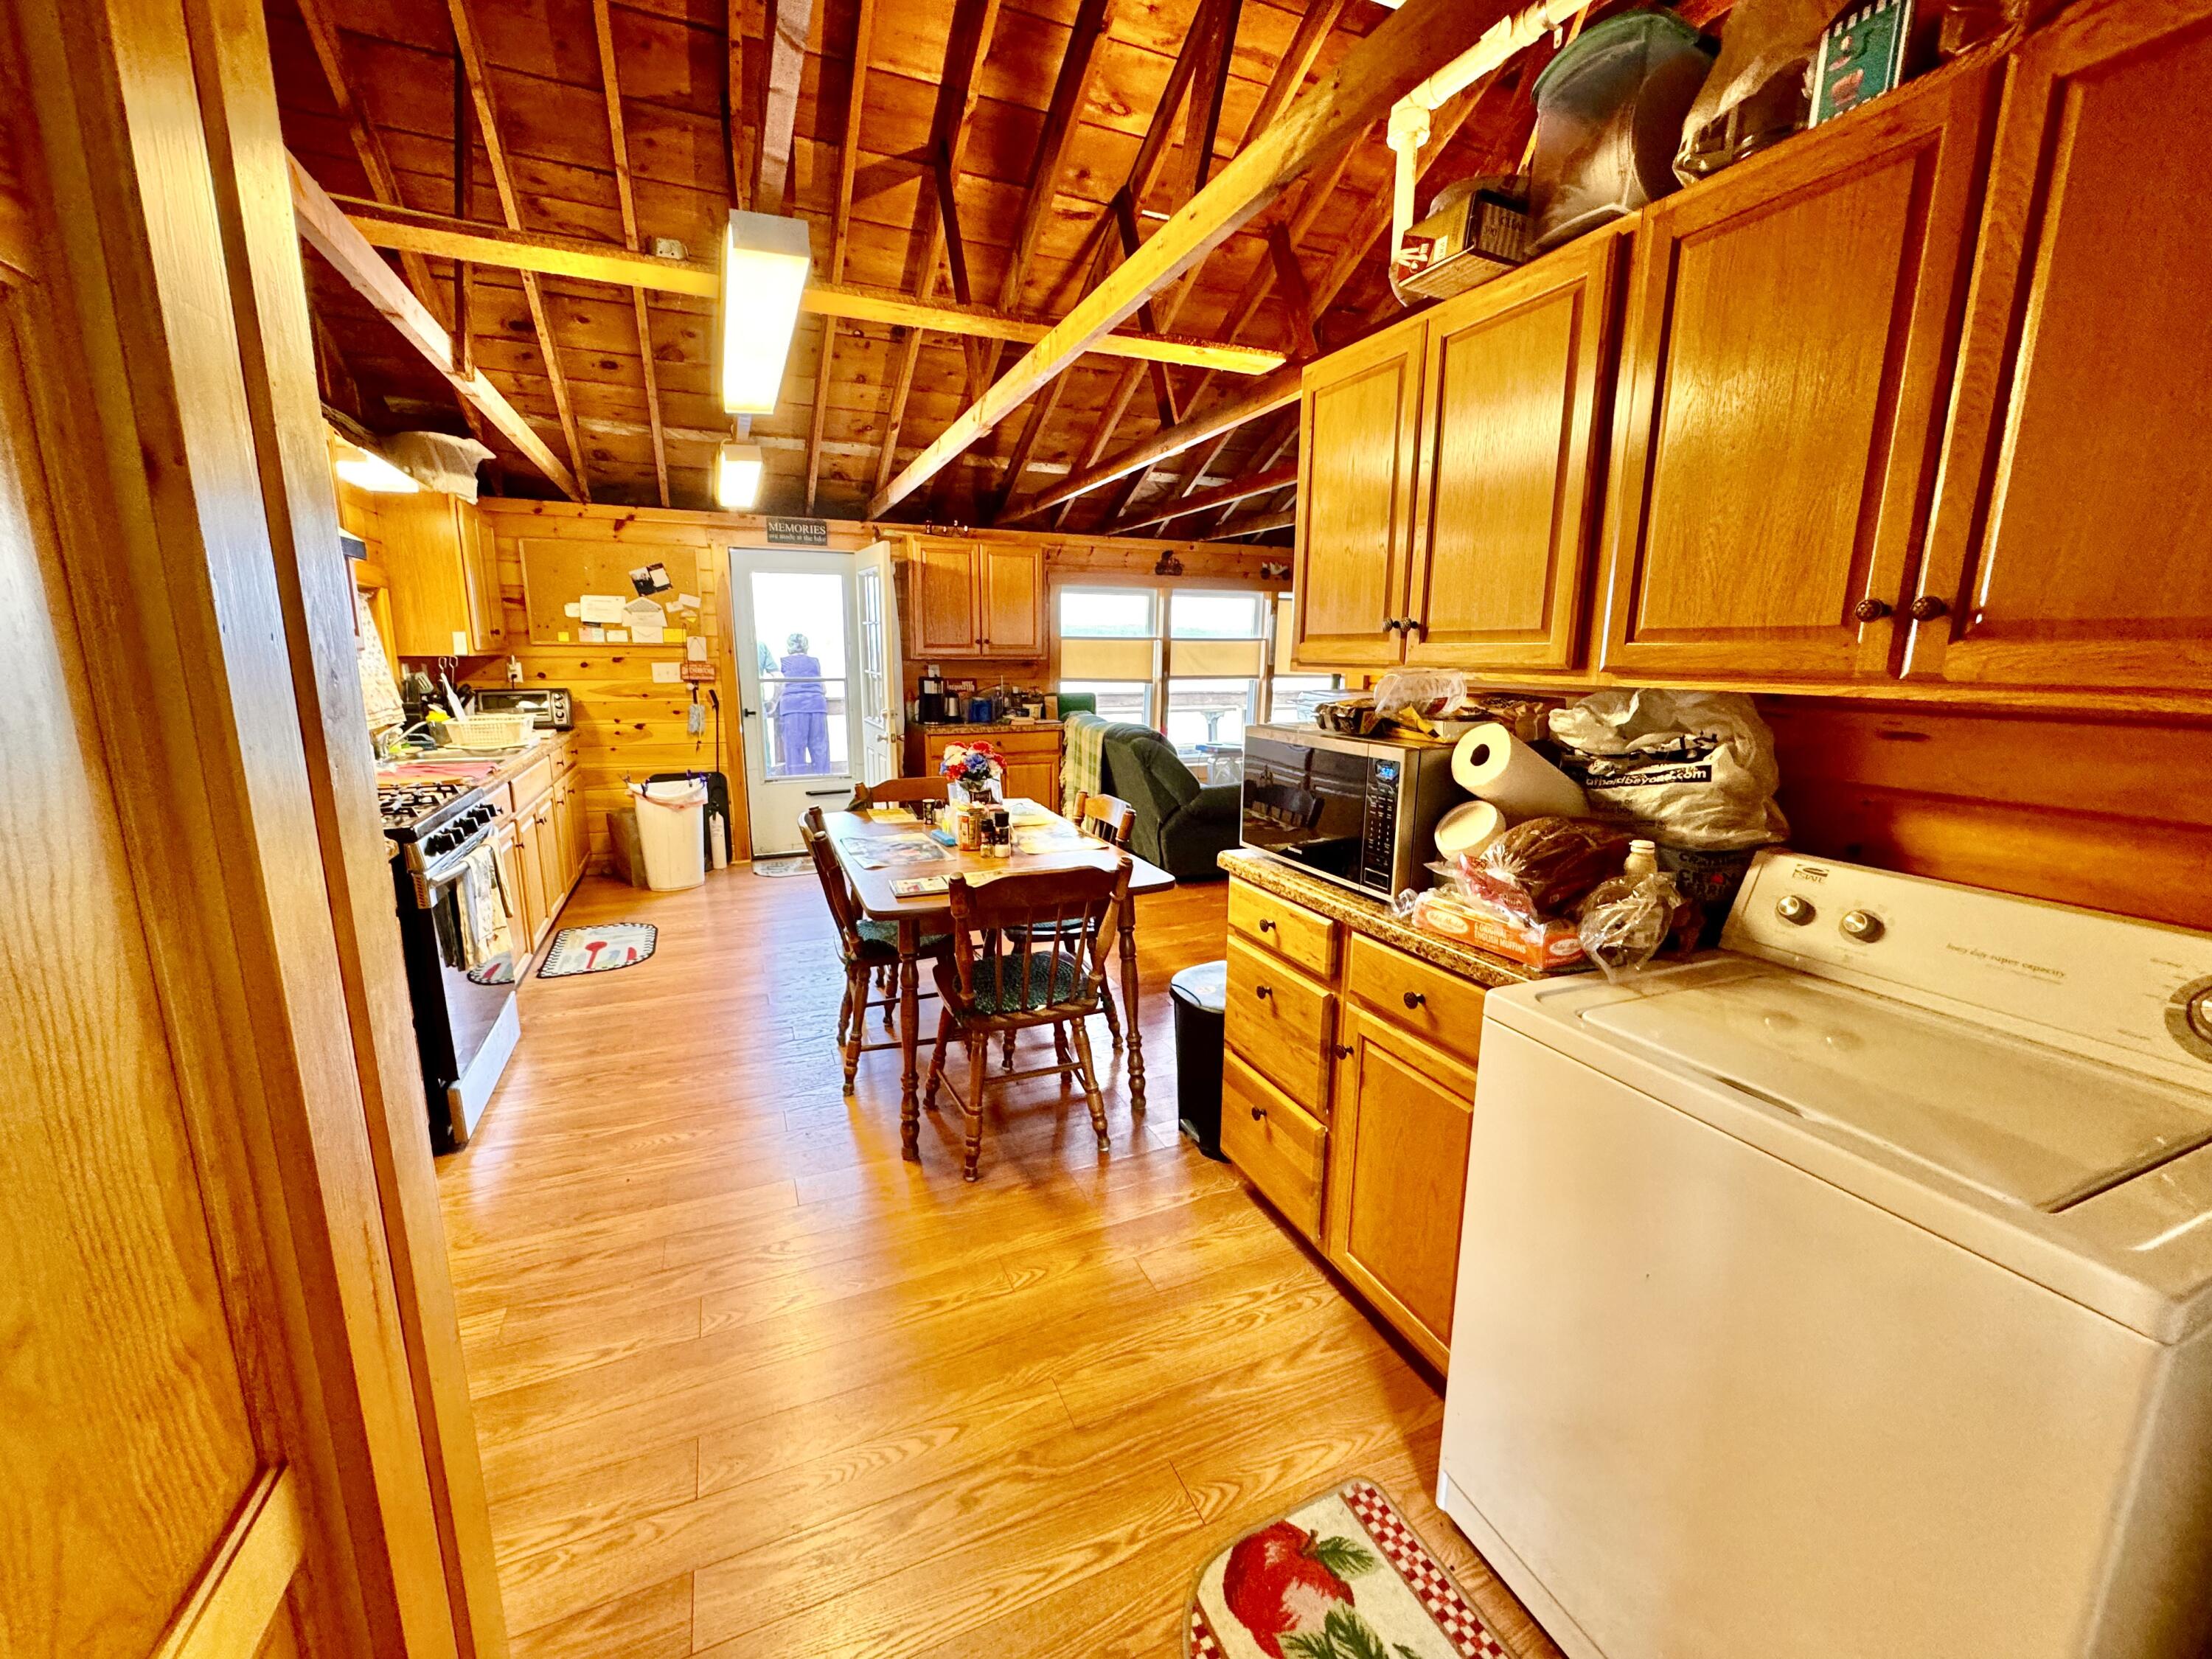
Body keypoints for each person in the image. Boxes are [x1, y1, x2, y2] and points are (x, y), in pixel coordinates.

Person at [773, 630, 830, 774]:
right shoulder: (815, 662)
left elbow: (779, 686)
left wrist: (773, 703)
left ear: (789, 646)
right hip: (817, 706)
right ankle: (824, 780)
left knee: (795, 750)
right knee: (820, 748)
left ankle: (796, 782)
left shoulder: (783, 662)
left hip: (793, 708)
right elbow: (824, 688)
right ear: (806, 646)